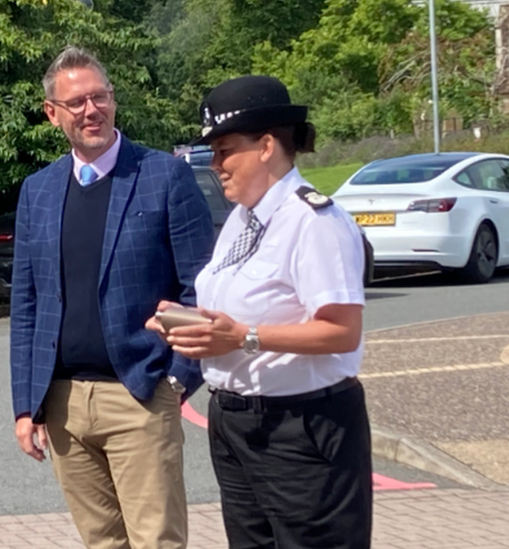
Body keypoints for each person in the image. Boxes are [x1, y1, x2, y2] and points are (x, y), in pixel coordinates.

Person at [147, 75, 373, 548]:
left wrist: (244, 337)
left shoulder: (313, 222)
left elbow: (341, 331)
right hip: (235, 423)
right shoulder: (240, 221)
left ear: (267, 145)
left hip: (303, 428)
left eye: (226, 150)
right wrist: (185, 323)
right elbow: (230, 311)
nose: (216, 165)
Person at [10, 46, 215, 549]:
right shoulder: (37, 190)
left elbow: (203, 287)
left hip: (140, 394)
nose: (91, 110)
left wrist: (178, 378)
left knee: (156, 542)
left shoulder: (163, 176)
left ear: (113, 101)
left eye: (99, 97)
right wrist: (25, 404)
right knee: (101, 542)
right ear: (52, 113)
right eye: (76, 102)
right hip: (61, 403)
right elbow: (27, 305)